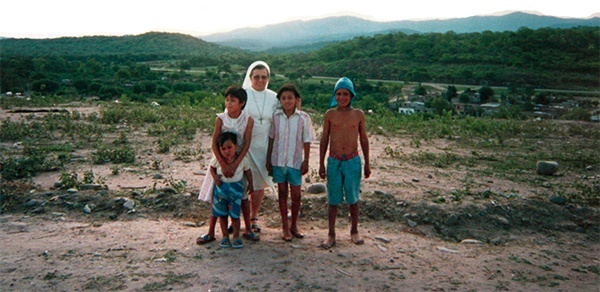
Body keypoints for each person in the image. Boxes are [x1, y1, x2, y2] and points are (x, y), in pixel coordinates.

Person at [197, 85, 258, 244]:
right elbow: (214, 143)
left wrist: (236, 164)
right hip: (219, 161)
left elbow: (246, 144)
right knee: (216, 197)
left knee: (243, 197)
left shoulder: (248, 120)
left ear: (242, 103)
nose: (229, 103)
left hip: (240, 162)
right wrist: (223, 165)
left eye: (233, 100)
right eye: (227, 100)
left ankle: (248, 230)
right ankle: (211, 232)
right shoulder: (220, 118)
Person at [318, 77, 371, 249]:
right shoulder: (330, 114)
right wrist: (321, 163)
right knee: (333, 199)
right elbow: (324, 139)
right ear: (335, 95)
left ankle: (354, 230)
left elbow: (363, 139)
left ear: (351, 95)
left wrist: (368, 163)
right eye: (339, 94)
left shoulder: (358, 115)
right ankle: (331, 233)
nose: (342, 97)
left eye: (345, 94)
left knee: (353, 198)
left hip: (352, 161)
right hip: (334, 161)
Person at [266, 84, 314, 241]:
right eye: (284, 98)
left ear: (296, 100)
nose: (287, 101)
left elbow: (306, 140)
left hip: (294, 162)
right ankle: (284, 226)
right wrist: (268, 159)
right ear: (280, 100)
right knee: (282, 193)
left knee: (296, 195)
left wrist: (306, 161)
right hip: (278, 161)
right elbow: (271, 138)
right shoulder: (276, 117)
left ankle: (294, 224)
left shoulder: (303, 118)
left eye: (290, 98)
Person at [242, 61, 279, 238]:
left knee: (259, 185)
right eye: (256, 77)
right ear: (250, 78)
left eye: (264, 77)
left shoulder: (274, 96)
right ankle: (239, 219)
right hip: (245, 147)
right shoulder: (243, 95)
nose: (260, 80)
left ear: (268, 78)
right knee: (242, 184)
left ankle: (254, 218)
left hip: (265, 147)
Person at [209, 131, 254, 249]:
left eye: (230, 147)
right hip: (221, 191)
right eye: (223, 149)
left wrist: (251, 184)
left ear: (236, 147)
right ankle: (225, 236)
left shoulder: (242, 160)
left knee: (235, 215)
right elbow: (212, 168)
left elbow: (248, 172)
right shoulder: (218, 161)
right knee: (222, 215)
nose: (226, 151)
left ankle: (236, 236)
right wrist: (215, 178)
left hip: (236, 190)